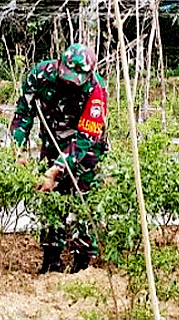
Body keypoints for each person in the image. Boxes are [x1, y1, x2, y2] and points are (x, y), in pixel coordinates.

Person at [10, 43, 108, 274]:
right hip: (51, 142)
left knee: (83, 200)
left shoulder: (96, 89)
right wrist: (19, 149)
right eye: (66, 77)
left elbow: (86, 137)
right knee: (50, 200)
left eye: (76, 80)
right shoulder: (40, 76)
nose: (70, 84)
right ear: (59, 66)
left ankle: (82, 263)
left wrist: (56, 170)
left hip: (85, 151)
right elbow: (23, 113)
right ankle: (51, 259)